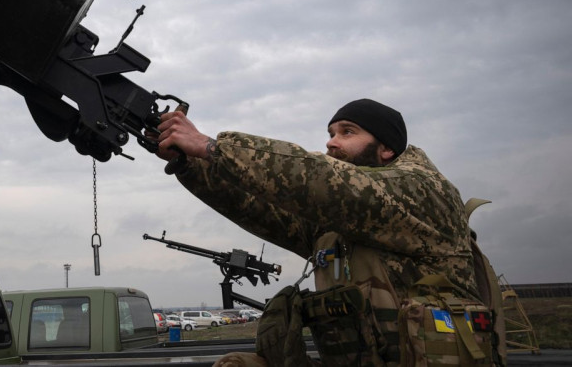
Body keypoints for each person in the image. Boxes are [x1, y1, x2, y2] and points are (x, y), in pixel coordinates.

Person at [154, 99, 484, 366]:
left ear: (385, 149)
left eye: (347, 132)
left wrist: (213, 147)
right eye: (330, 132)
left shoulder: (423, 190)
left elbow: (324, 180)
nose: (331, 142)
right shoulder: (341, 223)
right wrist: (190, 163)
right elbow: (262, 209)